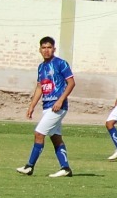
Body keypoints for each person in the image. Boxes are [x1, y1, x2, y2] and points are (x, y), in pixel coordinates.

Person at [17, 36, 76, 178]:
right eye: (43, 48)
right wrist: (31, 106)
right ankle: (65, 168)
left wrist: (61, 100)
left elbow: (71, 83)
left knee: (39, 133)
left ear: (54, 49)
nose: (46, 50)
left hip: (57, 106)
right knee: (55, 138)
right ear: (40, 50)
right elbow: (39, 87)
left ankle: (29, 166)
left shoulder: (61, 63)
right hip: (47, 106)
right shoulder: (41, 67)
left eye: (49, 47)